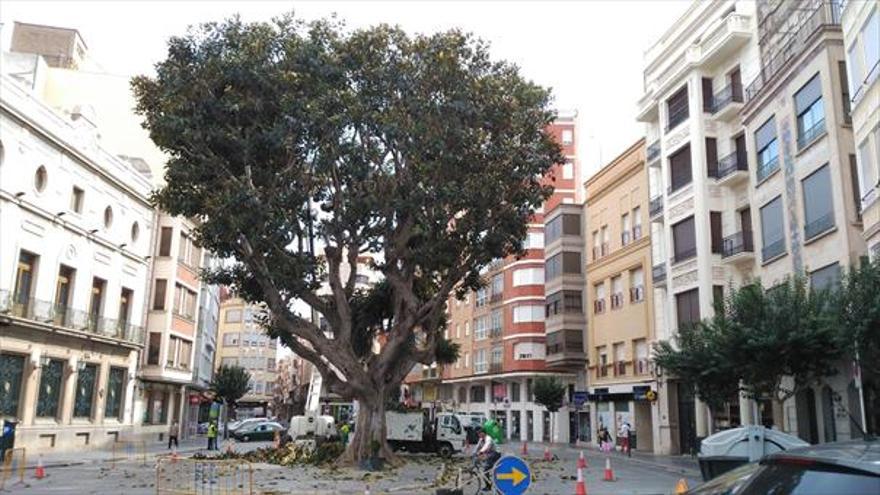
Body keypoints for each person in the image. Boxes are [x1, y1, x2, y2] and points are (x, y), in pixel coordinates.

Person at [473, 427, 501, 492]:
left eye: (480, 433)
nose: (479, 435)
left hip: (496, 453)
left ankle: (488, 486)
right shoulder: (481, 439)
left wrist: (480, 452)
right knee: (482, 460)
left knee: (486, 468)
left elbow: (486, 446)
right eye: (478, 434)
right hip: (489, 453)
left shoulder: (488, 438)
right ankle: (488, 479)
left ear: (483, 433)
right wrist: (474, 453)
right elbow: (477, 446)